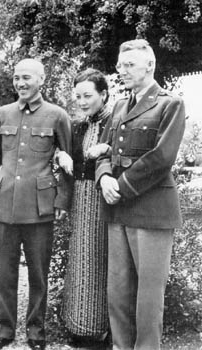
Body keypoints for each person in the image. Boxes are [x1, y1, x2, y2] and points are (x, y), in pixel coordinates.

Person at [96, 39, 185, 350]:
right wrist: (104, 176)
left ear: (150, 66)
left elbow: (162, 157)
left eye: (130, 65)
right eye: (121, 66)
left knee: (148, 296)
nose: (123, 71)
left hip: (152, 210)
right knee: (117, 291)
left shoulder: (169, 104)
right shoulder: (119, 105)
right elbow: (103, 150)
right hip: (117, 209)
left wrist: (120, 186)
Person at [0, 58, 72, 350]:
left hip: (40, 209)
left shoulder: (57, 115)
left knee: (38, 274)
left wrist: (62, 200)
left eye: (27, 77)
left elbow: (69, 161)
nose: (21, 83)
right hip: (4, 205)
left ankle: (36, 332)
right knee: (5, 273)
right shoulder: (1, 115)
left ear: (41, 79)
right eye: (17, 78)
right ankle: (3, 330)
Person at [58, 68, 111, 349]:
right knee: (80, 261)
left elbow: (127, 153)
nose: (81, 101)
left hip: (104, 200)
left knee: (101, 261)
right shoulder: (78, 126)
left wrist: (108, 149)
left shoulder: (116, 122)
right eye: (77, 96)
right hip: (80, 199)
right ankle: (79, 327)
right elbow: (65, 153)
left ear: (103, 94)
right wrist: (61, 154)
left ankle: (102, 330)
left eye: (87, 95)